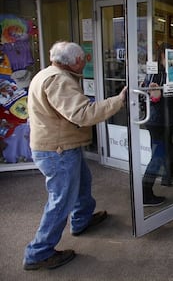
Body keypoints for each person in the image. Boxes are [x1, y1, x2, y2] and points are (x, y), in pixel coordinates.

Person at [23, 41, 127, 270]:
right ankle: (38, 253)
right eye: (83, 59)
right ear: (75, 61)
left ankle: (81, 219)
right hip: (57, 150)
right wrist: (117, 102)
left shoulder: (46, 74)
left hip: (59, 145)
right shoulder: (59, 80)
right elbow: (81, 114)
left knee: (82, 184)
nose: (84, 63)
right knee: (61, 200)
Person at [141, 42, 173, 206]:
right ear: (162, 56)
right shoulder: (157, 72)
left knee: (168, 148)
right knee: (158, 155)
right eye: (170, 56)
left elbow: (172, 97)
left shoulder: (168, 72)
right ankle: (145, 192)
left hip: (165, 118)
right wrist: (155, 95)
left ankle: (167, 177)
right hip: (157, 121)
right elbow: (150, 94)